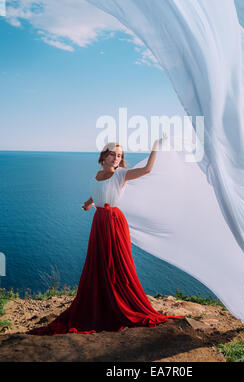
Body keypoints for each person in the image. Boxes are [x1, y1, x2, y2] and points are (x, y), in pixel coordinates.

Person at [28, 136, 185, 335]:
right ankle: (101, 299)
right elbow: (98, 192)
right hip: (99, 221)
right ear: (104, 156)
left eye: (119, 156)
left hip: (113, 222)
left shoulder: (122, 175)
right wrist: (88, 203)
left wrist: (155, 147)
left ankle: (117, 302)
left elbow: (147, 170)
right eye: (113, 154)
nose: (116, 158)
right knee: (99, 263)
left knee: (117, 265)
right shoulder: (98, 174)